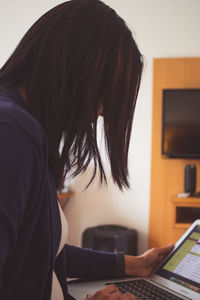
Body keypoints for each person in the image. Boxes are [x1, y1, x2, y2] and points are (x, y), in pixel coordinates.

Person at [0, 0, 173, 299]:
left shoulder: (27, 131)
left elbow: (40, 253)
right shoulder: (12, 132)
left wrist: (135, 264)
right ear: (77, 70)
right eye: (105, 94)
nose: (102, 112)